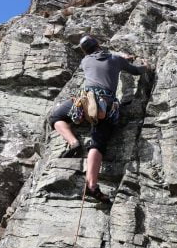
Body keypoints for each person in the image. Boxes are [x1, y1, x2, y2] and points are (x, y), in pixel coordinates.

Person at [49, 35, 148, 204]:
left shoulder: (85, 61)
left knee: (55, 117)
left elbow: (99, 59)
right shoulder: (115, 60)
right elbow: (136, 70)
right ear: (98, 44)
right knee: (98, 143)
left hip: (84, 101)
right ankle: (92, 185)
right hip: (106, 106)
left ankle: (73, 142)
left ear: (85, 51)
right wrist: (145, 65)